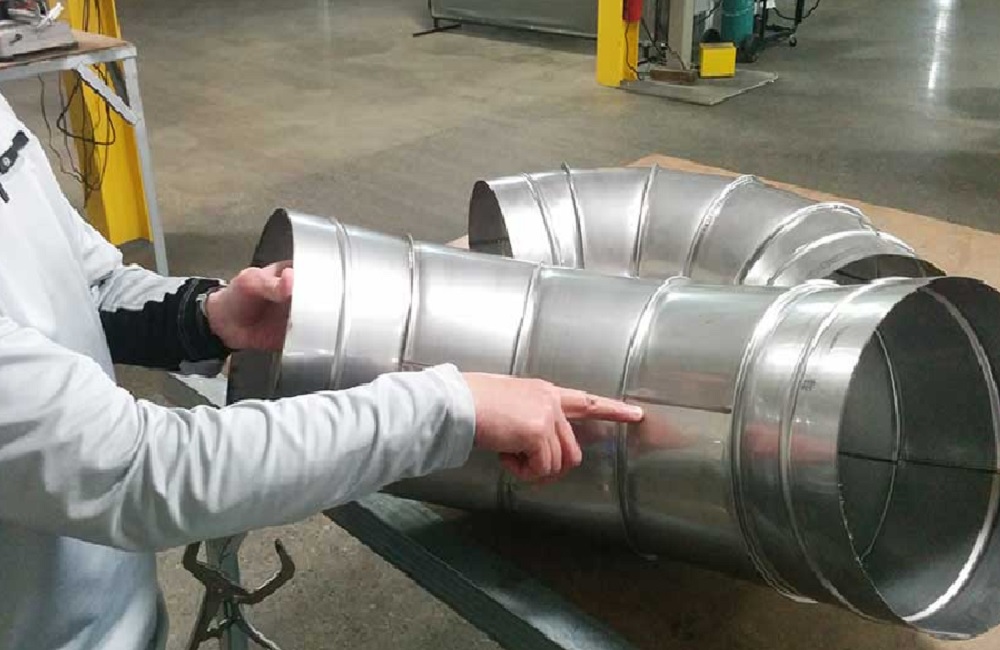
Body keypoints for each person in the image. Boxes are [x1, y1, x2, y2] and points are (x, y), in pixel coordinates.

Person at [0, 93, 643, 650]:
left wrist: (206, 316)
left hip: (108, 613)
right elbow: (135, 471)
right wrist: (449, 409)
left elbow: (93, 281)